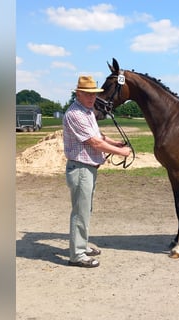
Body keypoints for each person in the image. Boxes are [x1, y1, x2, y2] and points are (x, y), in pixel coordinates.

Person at [63, 75, 131, 268]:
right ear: (78, 93)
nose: (92, 98)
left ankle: (81, 246)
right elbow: (94, 142)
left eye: (94, 94)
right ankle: (77, 255)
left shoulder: (87, 112)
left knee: (85, 210)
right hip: (81, 169)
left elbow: (99, 135)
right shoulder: (75, 114)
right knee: (80, 212)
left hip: (88, 168)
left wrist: (113, 142)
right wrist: (121, 152)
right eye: (87, 94)